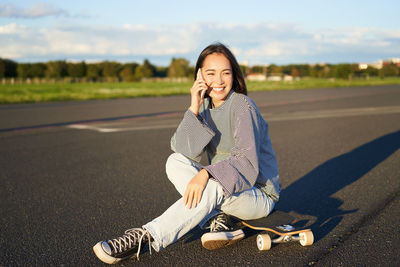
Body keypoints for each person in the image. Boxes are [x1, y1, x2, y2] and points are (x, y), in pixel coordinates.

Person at [93, 42, 280, 264]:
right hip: (223, 189)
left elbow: (246, 164)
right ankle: (218, 219)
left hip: (257, 193)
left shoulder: (242, 105)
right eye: (211, 73)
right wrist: (194, 105)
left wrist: (206, 174)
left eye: (226, 73)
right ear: (200, 76)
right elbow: (184, 151)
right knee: (174, 161)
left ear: (234, 75)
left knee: (212, 183)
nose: (219, 81)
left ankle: (145, 236)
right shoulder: (204, 106)